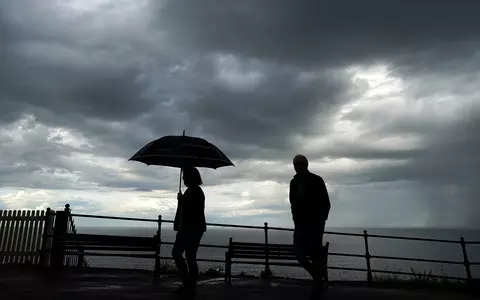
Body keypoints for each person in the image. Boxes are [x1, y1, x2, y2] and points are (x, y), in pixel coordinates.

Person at [289, 154, 331, 292]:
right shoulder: (294, 183)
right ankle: (317, 276)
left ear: (306, 164)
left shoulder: (317, 180)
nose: (298, 166)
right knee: (298, 252)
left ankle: (317, 280)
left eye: (300, 163)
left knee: (315, 253)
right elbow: (293, 204)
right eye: (296, 164)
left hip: (314, 224)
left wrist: (320, 221)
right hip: (301, 225)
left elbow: (326, 203)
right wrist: (296, 220)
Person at [172, 167, 207, 294]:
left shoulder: (196, 192)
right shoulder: (192, 191)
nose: (182, 178)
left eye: (185, 176)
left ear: (190, 177)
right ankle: (189, 284)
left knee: (186, 256)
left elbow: (193, 211)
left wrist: (182, 202)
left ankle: (189, 285)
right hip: (189, 229)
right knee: (187, 256)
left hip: (191, 229)